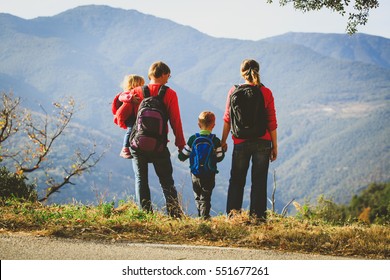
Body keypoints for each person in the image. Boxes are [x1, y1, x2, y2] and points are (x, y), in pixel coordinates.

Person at [221, 58, 278, 221]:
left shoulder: (233, 91)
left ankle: (233, 217)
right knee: (259, 181)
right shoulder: (266, 92)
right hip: (263, 141)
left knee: (237, 180)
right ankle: (258, 218)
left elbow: (227, 118)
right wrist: (275, 146)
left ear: (242, 73)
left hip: (240, 141)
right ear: (258, 71)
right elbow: (271, 121)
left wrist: (223, 141)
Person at [129, 61, 186, 218]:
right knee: (167, 181)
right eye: (168, 75)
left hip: (138, 144)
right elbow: (176, 121)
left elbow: (121, 114)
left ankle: (146, 215)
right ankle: (174, 215)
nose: (168, 79)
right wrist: (180, 144)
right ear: (162, 74)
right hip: (159, 146)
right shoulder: (170, 94)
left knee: (141, 179)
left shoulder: (136, 92)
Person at [178, 111, 225, 219]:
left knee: (197, 195)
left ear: (199, 125)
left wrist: (181, 153)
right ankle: (205, 217)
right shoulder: (215, 140)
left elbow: (182, 156)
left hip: (195, 173)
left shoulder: (192, 139)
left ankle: (201, 215)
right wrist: (222, 149)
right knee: (206, 196)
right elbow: (219, 158)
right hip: (210, 173)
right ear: (213, 125)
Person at [113, 74, 145, 159]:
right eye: (141, 84)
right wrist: (130, 98)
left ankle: (134, 145)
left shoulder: (138, 93)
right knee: (130, 130)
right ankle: (125, 148)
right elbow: (121, 97)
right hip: (129, 116)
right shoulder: (127, 93)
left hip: (135, 115)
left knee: (136, 130)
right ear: (134, 84)